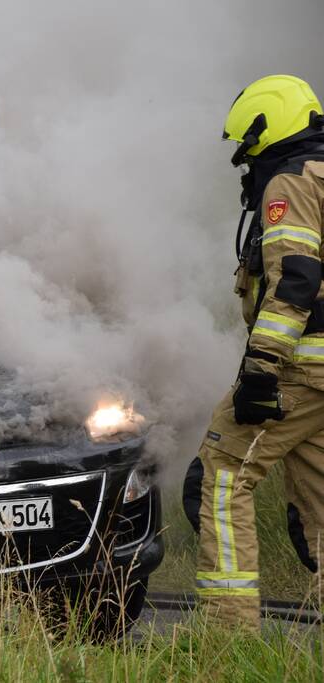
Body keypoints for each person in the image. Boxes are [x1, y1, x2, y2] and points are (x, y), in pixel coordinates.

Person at [194, 74, 324, 628]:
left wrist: (261, 373)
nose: (246, 161)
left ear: (268, 126)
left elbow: (294, 279)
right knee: (319, 503)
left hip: (301, 370)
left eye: (248, 146)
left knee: (221, 475)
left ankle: (229, 637)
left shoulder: (291, 183)